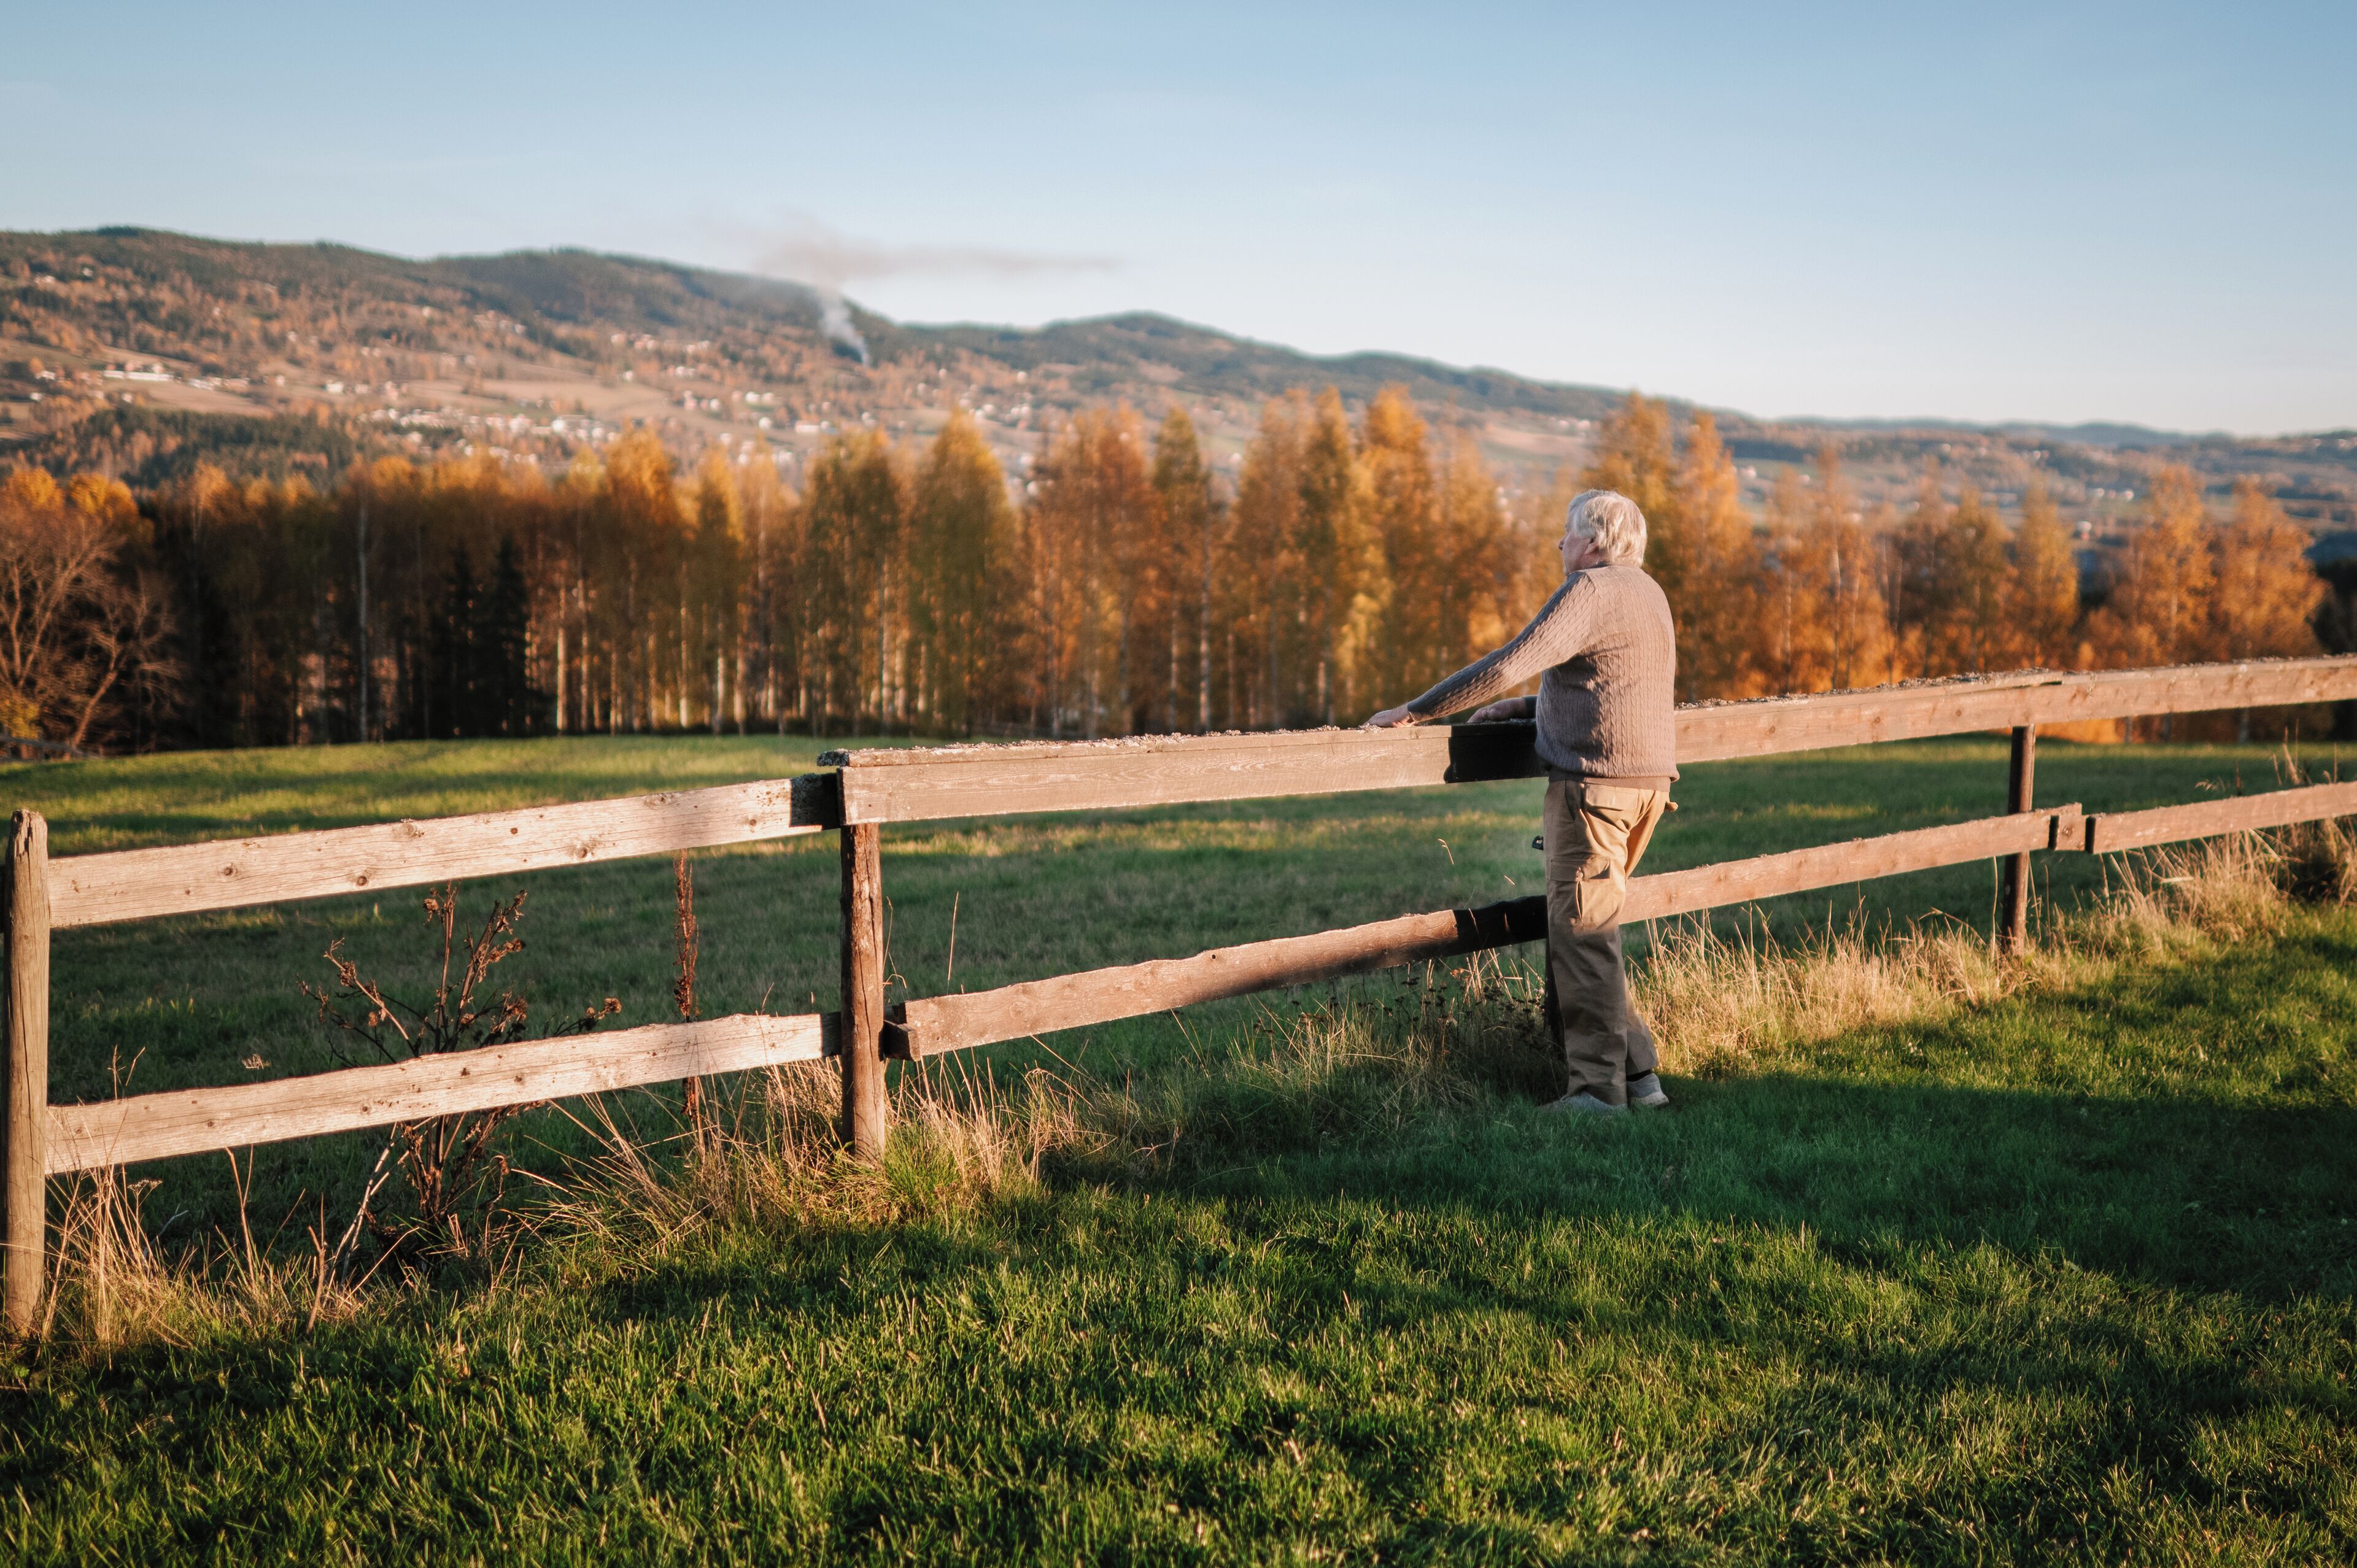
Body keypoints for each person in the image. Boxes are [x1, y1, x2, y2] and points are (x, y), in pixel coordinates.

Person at [1364, 489, 1676, 1116]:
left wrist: (1415, 709)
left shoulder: (1589, 590)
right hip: (1646, 788)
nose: (1559, 545)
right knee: (1593, 928)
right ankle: (1639, 1076)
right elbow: (1613, 686)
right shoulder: (1649, 593)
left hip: (1594, 789)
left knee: (1583, 934)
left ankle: (1596, 1093)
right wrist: (1531, 707)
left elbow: (1513, 658)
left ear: (1592, 539)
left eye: (1565, 534)